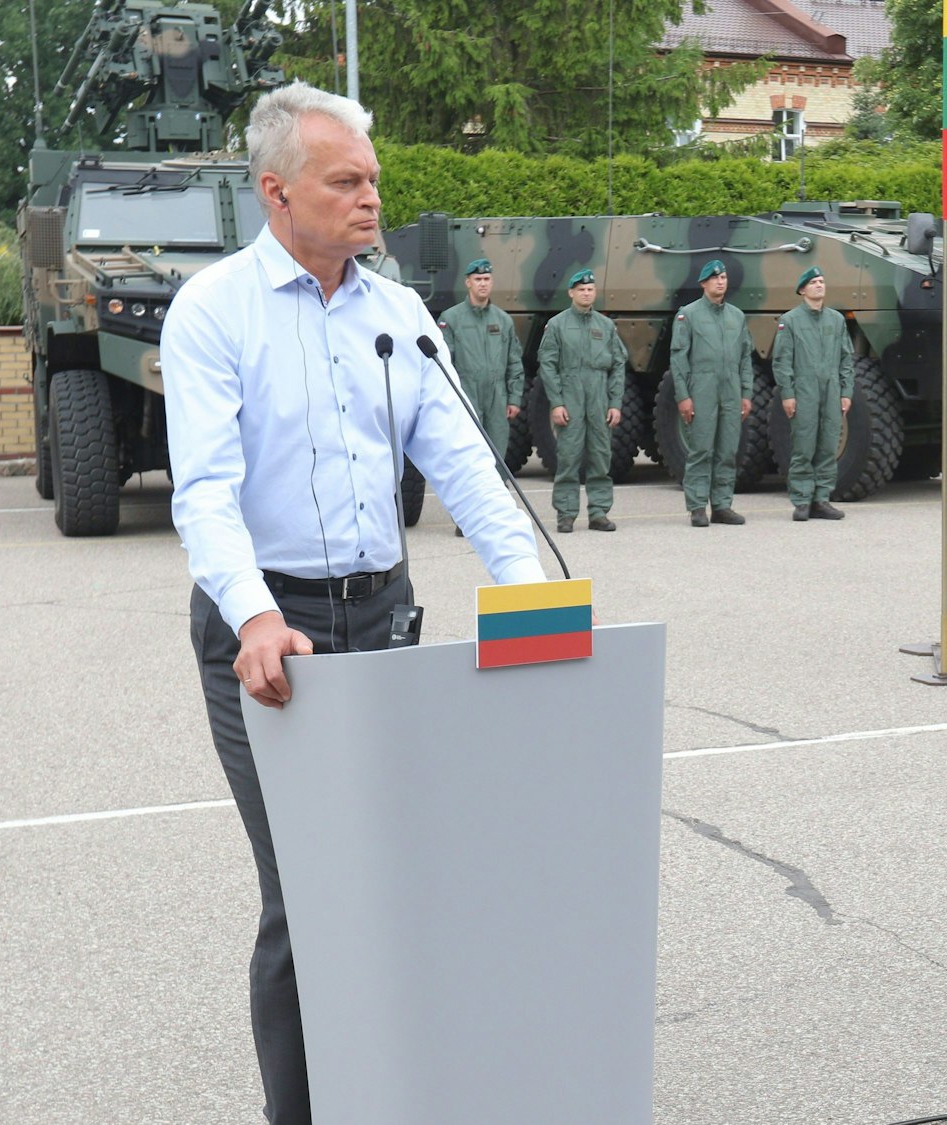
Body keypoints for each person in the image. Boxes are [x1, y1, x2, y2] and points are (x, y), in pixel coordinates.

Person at [161, 82, 551, 1125]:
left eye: (373, 178)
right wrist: (251, 616)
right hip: (268, 640)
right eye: (346, 181)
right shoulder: (213, 312)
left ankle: (394, 1093)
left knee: (396, 878)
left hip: (382, 626)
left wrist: (539, 600)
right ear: (277, 193)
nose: (371, 198)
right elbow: (202, 493)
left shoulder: (399, 316)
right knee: (307, 894)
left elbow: (470, 471)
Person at [439, 257, 525, 535]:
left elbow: (514, 361)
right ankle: (465, 519)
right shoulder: (450, 319)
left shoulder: (502, 320)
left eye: (487, 279)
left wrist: (514, 397)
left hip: (497, 396)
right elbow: (443, 363)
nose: (483, 284)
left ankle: (493, 517)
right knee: (468, 459)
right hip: (466, 395)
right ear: (468, 283)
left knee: (497, 458)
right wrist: (451, 400)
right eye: (478, 279)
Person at [537, 268, 625, 533]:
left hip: (599, 397)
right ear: (571, 293)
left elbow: (618, 365)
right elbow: (548, 365)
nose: (587, 293)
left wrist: (615, 403)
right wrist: (557, 402)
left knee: (600, 457)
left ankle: (599, 512)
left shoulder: (606, 326)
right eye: (582, 289)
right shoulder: (557, 324)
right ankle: (566, 513)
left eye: (590, 289)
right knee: (568, 457)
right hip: (571, 396)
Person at [668, 259, 753, 527]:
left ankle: (722, 505)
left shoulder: (737, 316)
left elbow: (745, 358)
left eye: (724, 277)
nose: (720, 281)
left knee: (727, 450)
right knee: (701, 449)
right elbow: (678, 358)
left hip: (731, 389)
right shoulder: (688, 315)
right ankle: (696, 507)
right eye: (715, 278)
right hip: (702, 389)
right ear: (704, 283)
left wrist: (746, 393)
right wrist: (683, 396)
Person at [772, 266, 854, 521]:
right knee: (804, 447)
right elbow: (782, 361)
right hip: (804, 391)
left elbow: (846, 359)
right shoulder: (791, 320)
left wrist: (846, 391)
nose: (820, 285)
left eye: (822, 281)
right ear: (802, 290)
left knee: (828, 446)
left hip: (831, 391)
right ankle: (801, 501)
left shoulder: (836, 320)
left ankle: (822, 499)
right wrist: (787, 394)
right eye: (814, 282)